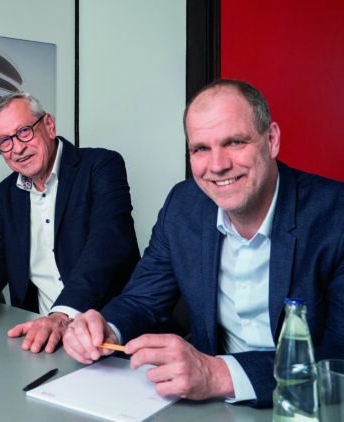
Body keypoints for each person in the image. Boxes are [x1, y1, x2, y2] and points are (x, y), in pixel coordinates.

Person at [63, 79, 344, 407]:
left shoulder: (336, 216)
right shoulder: (183, 206)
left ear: (271, 140)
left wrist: (218, 375)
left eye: (235, 142)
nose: (218, 165)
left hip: (309, 408)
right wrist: (106, 329)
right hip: (211, 409)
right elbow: (142, 300)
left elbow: (339, 356)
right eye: (200, 149)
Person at [0, 92, 140, 354]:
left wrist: (61, 315)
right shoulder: (4, 195)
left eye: (24, 132)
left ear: (49, 125)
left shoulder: (101, 166)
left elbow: (106, 247)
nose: (17, 148)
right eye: (5, 141)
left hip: (106, 333)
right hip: (40, 337)